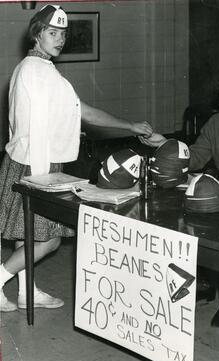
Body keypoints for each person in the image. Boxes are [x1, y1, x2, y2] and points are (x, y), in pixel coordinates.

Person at [0, 4, 152, 312]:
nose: (59, 39)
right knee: (49, 240)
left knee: (25, 234)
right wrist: (131, 125)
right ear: (37, 34)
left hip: (20, 161)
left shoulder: (26, 67)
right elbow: (85, 113)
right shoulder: (42, 73)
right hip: (37, 166)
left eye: (62, 34)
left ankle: (27, 292)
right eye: (52, 33)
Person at [139, 73, 219, 327]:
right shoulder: (215, 124)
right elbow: (196, 157)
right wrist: (166, 143)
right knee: (181, 224)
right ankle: (205, 281)